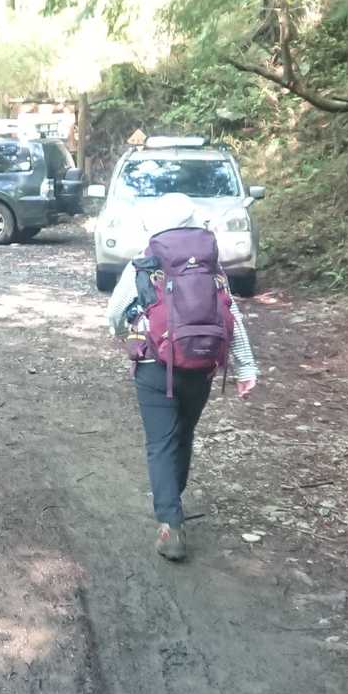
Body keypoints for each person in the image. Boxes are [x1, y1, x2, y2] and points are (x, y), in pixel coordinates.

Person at [104, 217, 259, 562]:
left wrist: (123, 332)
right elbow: (231, 315)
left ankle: (170, 523)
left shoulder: (144, 261)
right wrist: (246, 368)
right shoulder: (210, 267)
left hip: (154, 366)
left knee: (160, 443)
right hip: (201, 365)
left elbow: (114, 313)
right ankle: (173, 495)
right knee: (183, 434)